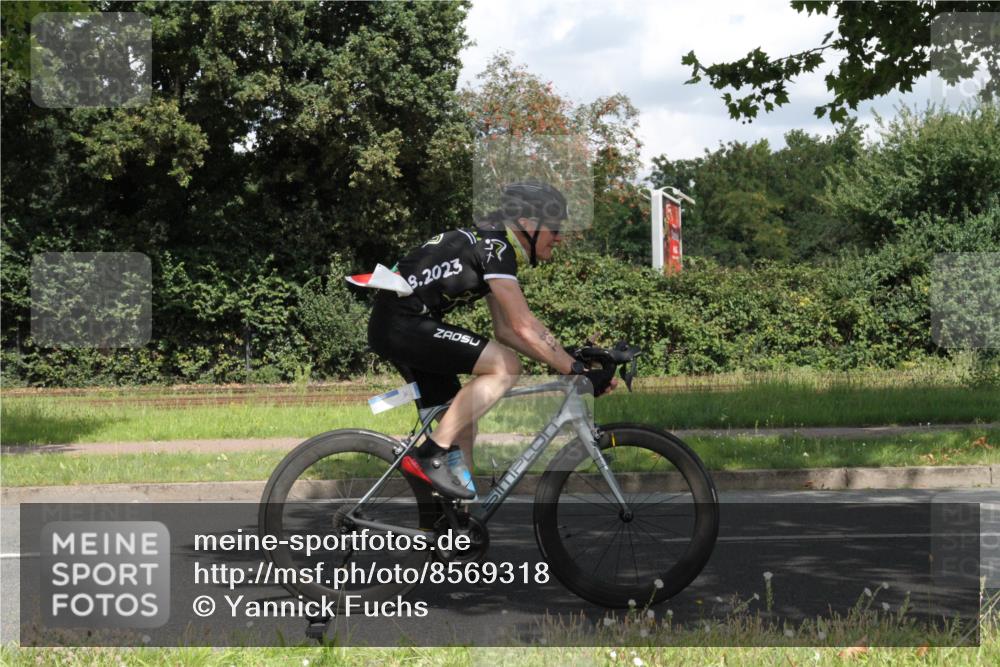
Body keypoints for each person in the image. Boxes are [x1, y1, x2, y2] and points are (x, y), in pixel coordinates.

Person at [367, 180, 616, 500]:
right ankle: (431, 454)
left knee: (462, 427)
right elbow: (523, 325)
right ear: (526, 224)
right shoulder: (496, 249)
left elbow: (509, 330)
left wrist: (571, 361)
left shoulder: (492, 244)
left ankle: (456, 530)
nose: (558, 237)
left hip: (404, 324)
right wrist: (575, 370)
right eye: (554, 228)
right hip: (403, 325)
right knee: (506, 365)